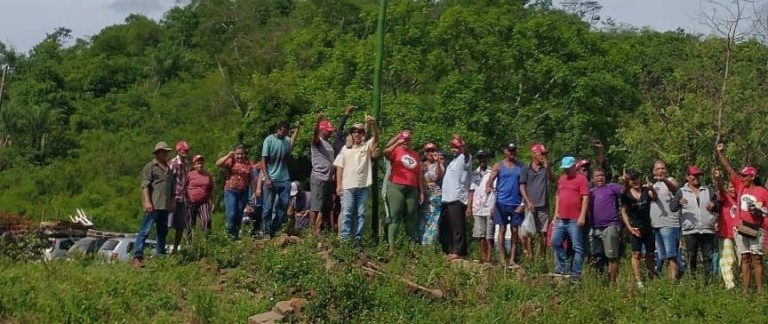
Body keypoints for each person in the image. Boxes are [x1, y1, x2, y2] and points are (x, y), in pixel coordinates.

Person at [716, 142, 768, 294]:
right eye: (742, 175)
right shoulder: (740, 187)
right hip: (742, 228)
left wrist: (761, 210)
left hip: (757, 229)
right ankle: (745, 290)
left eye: (745, 175)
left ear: (752, 176)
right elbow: (730, 170)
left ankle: (759, 291)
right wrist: (721, 154)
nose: (742, 177)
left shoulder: (762, 191)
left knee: (757, 259)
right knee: (745, 258)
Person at [334, 115, 379, 244]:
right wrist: (338, 185)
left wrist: (374, 124)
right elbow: (339, 167)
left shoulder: (366, 147)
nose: (357, 134)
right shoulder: (345, 149)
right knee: (347, 213)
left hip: (363, 185)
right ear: (351, 134)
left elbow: (376, 138)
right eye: (354, 131)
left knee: (361, 214)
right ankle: (344, 239)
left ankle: (357, 239)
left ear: (363, 134)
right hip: (348, 186)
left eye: (360, 132)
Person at [669, 165, 718, 283]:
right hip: (690, 230)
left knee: (708, 257)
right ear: (687, 177)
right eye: (693, 175)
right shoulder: (681, 191)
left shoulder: (707, 190)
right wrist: (679, 202)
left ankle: (709, 283)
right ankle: (693, 281)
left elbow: (718, 205)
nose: (696, 178)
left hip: (707, 229)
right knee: (692, 257)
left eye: (698, 176)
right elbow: (672, 207)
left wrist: (714, 205)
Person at [133, 141, 175, 268]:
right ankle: (138, 257)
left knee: (162, 232)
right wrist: (147, 201)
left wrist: (172, 202)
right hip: (153, 205)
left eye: (166, 152)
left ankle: (161, 257)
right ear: (157, 153)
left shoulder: (169, 168)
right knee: (145, 230)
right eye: (163, 151)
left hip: (165, 206)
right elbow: (145, 185)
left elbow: (172, 188)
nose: (165, 154)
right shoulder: (150, 166)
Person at [486, 143, 525, 268]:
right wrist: (490, 189)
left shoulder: (521, 166)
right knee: (501, 229)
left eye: (514, 150)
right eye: (510, 150)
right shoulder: (499, 165)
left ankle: (512, 260)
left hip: (516, 203)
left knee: (515, 231)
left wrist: (523, 203)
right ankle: (502, 259)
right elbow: (489, 182)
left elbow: (525, 185)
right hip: (501, 202)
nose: (512, 153)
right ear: (505, 151)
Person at [551, 156, 589, 280]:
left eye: (568, 168)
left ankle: (575, 273)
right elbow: (558, 196)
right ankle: (562, 268)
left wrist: (582, 215)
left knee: (577, 246)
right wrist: (555, 214)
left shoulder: (581, 179)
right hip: (561, 217)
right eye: (564, 168)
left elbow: (585, 198)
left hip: (574, 218)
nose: (566, 170)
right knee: (555, 242)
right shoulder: (562, 179)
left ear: (574, 166)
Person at [384, 129, 423, 250]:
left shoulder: (415, 155)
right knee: (395, 215)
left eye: (408, 140)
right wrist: (397, 141)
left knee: (411, 216)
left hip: (412, 188)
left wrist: (421, 191)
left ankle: (412, 247)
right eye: (404, 139)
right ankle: (391, 247)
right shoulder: (396, 150)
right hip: (396, 185)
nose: (406, 142)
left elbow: (419, 175)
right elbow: (385, 152)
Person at [261, 121, 300, 238]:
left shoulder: (286, 141)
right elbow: (263, 161)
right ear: (278, 130)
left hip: (284, 179)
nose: (283, 134)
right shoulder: (269, 140)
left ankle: (273, 228)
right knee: (268, 208)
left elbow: (292, 141)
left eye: (285, 132)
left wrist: (297, 129)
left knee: (283, 207)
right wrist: (267, 178)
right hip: (271, 178)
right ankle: (266, 231)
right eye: (282, 132)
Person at [620, 169, 658, 288]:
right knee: (636, 253)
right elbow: (624, 211)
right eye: (632, 179)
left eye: (637, 178)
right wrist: (629, 227)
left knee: (650, 254)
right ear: (629, 181)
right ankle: (639, 281)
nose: (635, 181)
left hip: (647, 227)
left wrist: (651, 188)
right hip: (634, 228)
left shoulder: (646, 191)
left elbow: (655, 197)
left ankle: (652, 277)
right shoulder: (626, 194)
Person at [588, 168, 624, 285]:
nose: (600, 178)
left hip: (610, 226)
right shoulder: (590, 192)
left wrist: (626, 182)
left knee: (612, 256)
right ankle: (596, 283)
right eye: (597, 176)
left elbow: (624, 191)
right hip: (594, 228)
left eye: (602, 175)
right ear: (592, 179)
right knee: (594, 256)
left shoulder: (611, 187)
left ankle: (612, 283)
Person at [439, 135, 472, 260]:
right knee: (447, 226)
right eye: (452, 147)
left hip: (457, 198)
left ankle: (459, 251)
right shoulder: (452, 161)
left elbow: (467, 152)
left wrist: (463, 144)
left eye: (456, 147)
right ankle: (449, 249)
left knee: (458, 226)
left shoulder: (465, 158)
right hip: (446, 198)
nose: (454, 149)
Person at [520, 143, 555, 260]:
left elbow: (553, 180)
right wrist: (527, 201)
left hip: (543, 205)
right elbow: (522, 187)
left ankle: (542, 258)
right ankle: (530, 257)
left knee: (543, 233)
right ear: (533, 154)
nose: (543, 156)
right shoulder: (526, 168)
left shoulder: (545, 168)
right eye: (541, 154)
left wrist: (548, 167)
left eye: (544, 154)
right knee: (530, 233)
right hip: (530, 205)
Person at [649, 159, 681, 280]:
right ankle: (669, 279)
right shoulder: (654, 185)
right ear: (654, 171)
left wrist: (665, 180)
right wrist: (650, 189)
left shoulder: (670, 181)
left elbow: (675, 188)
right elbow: (653, 197)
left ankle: (674, 282)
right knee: (663, 256)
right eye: (658, 169)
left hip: (669, 223)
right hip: (656, 225)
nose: (660, 171)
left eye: (662, 168)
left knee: (671, 254)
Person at [216, 144, 253, 240]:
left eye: (241, 154)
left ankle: (235, 236)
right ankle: (229, 236)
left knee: (239, 215)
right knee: (231, 214)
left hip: (243, 192)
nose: (239, 156)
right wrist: (229, 155)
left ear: (244, 154)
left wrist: (255, 191)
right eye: (237, 154)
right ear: (234, 154)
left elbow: (251, 179)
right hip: (231, 191)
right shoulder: (230, 161)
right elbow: (218, 164)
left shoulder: (248, 164)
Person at [309, 113, 336, 236]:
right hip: (319, 177)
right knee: (316, 206)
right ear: (322, 130)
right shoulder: (317, 141)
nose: (330, 133)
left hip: (328, 178)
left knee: (325, 206)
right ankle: (311, 231)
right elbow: (314, 136)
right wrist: (317, 122)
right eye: (328, 131)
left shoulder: (328, 143)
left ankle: (319, 230)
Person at [329, 105, 355, 231]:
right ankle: (333, 226)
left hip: (350, 179)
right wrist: (346, 114)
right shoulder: (339, 144)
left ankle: (342, 228)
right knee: (335, 202)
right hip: (337, 177)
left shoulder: (354, 149)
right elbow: (339, 129)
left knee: (345, 206)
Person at [713, 168, 739, 289]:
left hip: (740, 235)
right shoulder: (726, 198)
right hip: (726, 234)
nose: (732, 189)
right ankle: (730, 286)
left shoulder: (742, 200)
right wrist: (718, 179)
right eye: (730, 187)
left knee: (738, 262)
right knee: (727, 261)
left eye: (734, 187)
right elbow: (720, 189)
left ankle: (738, 284)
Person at [468, 150, 494, 263]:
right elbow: (471, 191)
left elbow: (496, 190)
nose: (482, 160)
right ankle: (483, 256)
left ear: (487, 158)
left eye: (484, 158)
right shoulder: (474, 173)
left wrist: (495, 206)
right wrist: (468, 207)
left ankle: (490, 257)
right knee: (480, 235)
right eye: (480, 158)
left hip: (489, 206)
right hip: (477, 207)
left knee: (489, 235)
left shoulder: (492, 172)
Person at [421, 142, 444, 245]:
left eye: (433, 150)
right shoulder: (421, 164)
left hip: (436, 197)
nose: (430, 153)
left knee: (434, 222)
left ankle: (429, 245)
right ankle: (421, 243)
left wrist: (437, 162)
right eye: (428, 151)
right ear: (425, 153)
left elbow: (437, 176)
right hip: (424, 196)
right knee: (423, 220)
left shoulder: (439, 165)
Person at [168, 141, 190, 254]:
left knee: (180, 226)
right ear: (178, 151)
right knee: (167, 224)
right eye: (184, 150)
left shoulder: (186, 164)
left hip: (183, 199)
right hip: (173, 198)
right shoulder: (173, 163)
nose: (186, 152)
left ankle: (175, 250)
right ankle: (161, 248)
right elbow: (169, 180)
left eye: (187, 150)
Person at [187, 155, 215, 236]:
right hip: (191, 202)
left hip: (204, 202)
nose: (200, 165)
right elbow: (184, 187)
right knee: (190, 223)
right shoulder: (189, 175)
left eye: (201, 163)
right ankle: (190, 243)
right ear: (194, 165)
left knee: (207, 220)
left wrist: (213, 203)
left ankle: (206, 240)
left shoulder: (208, 176)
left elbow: (211, 189)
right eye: (198, 163)